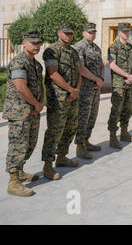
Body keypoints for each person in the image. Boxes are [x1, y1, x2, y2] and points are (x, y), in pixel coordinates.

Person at [3, 31, 43, 196]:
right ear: (23, 43)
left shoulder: (36, 64)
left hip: (32, 111)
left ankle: (20, 172)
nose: (36, 46)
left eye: (38, 43)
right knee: (18, 145)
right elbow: (20, 87)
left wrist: (38, 104)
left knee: (30, 143)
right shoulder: (19, 62)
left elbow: (38, 86)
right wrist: (37, 104)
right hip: (19, 111)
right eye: (32, 43)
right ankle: (13, 182)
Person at [42, 23, 81, 180]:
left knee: (71, 127)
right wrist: (70, 90)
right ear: (59, 33)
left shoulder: (73, 52)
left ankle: (62, 157)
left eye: (70, 33)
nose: (68, 36)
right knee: (55, 131)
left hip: (73, 97)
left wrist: (76, 90)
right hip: (58, 99)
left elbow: (78, 72)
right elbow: (53, 74)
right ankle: (47, 165)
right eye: (65, 33)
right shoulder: (51, 51)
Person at [73, 23, 104, 159]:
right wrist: (96, 79)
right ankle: (80, 147)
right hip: (85, 89)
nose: (92, 34)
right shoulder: (79, 47)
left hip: (95, 88)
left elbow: (102, 65)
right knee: (83, 117)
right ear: (84, 33)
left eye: (94, 32)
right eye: (90, 32)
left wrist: (101, 78)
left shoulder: (96, 48)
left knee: (92, 116)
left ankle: (86, 141)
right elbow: (81, 68)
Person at [107, 22, 132, 148]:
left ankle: (124, 132)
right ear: (118, 32)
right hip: (119, 84)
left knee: (128, 109)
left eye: (128, 31)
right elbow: (112, 65)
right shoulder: (113, 48)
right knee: (116, 110)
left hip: (130, 83)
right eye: (123, 31)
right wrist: (127, 75)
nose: (126, 33)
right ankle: (113, 137)